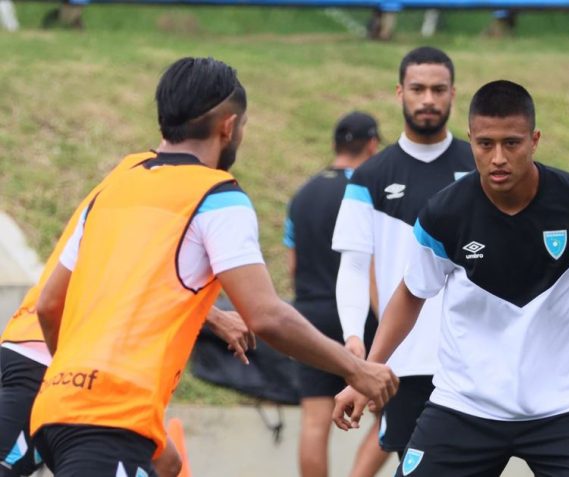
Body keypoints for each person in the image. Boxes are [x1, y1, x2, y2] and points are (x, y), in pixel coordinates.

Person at [27, 56, 398, 476]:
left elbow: (50, 304)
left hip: (58, 409)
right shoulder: (217, 197)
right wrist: (357, 369)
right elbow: (266, 315)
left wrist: (102, 400)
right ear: (229, 126)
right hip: (108, 421)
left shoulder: (116, 183)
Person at [334, 80, 569, 476]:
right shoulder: (445, 214)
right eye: (485, 144)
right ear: (472, 140)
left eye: (511, 143)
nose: (498, 157)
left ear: (534, 140)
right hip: (465, 405)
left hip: (564, 408)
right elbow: (411, 295)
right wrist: (366, 373)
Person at [0, 151, 256, 477]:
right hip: (56, 357)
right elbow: (131, 275)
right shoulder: (153, 187)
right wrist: (217, 318)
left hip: (82, 363)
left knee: (168, 462)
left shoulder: (136, 179)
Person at [332, 46, 475, 459]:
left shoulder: (481, 167)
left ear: (452, 94)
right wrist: (354, 338)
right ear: (400, 93)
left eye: (438, 89)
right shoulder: (371, 176)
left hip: (474, 363)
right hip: (404, 362)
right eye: (418, 88)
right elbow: (355, 267)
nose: (428, 99)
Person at [284, 111, 388, 477]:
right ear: (373, 146)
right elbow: (373, 263)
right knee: (391, 412)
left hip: (309, 317)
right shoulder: (368, 191)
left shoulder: (303, 194)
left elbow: (292, 265)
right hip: (360, 318)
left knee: (314, 421)